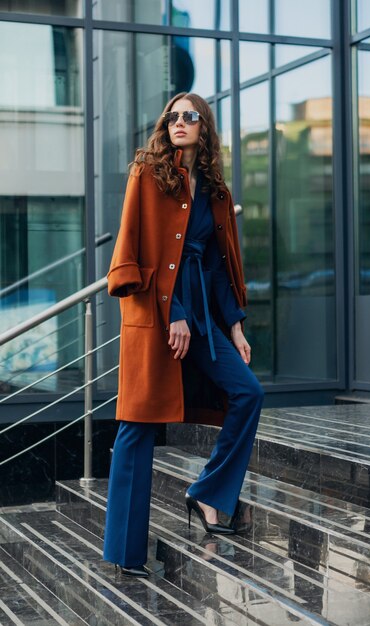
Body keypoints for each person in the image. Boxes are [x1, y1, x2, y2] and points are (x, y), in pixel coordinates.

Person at [103, 92, 264, 577]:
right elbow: (132, 246)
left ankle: (208, 494)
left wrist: (233, 326)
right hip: (155, 313)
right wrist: (172, 311)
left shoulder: (216, 194)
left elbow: (217, 268)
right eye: (172, 116)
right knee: (138, 425)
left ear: (204, 128)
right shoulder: (146, 174)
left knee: (248, 392)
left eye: (189, 116)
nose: (178, 122)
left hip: (204, 320)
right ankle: (125, 554)